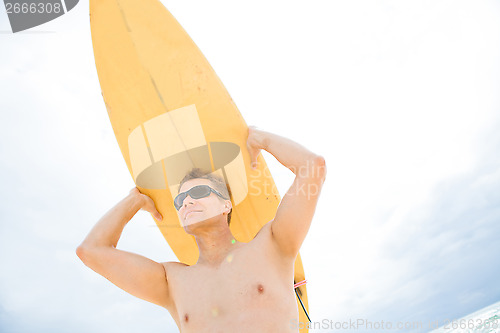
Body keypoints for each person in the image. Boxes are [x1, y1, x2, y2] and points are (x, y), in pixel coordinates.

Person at [76, 127, 326, 332]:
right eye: (180, 200)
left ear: (226, 204)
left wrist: (260, 139)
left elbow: (312, 168)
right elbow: (91, 251)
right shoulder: (170, 282)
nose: (186, 202)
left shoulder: (272, 246)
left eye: (198, 192)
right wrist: (135, 200)